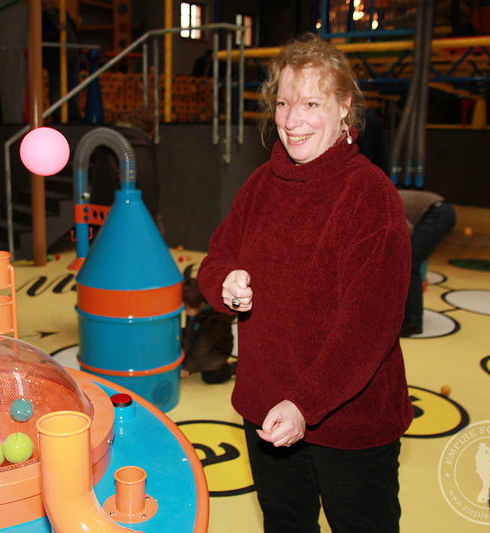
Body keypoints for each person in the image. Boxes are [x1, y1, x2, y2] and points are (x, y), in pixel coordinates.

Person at [196, 34, 413, 532]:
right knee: (285, 523)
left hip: (352, 420)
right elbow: (216, 258)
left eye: (311, 104)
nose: (292, 120)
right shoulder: (259, 186)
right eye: (283, 103)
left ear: (344, 107)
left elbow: (370, 326)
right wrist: (225, 282)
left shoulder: (370, 196)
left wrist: (305, 403)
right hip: (266, 409)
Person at [89, 107, 163, 233]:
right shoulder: (141, 149)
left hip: (100, 221)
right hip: (131, 222)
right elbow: (148, 191)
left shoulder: (106, 144)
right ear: (149, 132)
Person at [398, 190, 457, 337]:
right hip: (436, 212)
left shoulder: (378, 205)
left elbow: (407, 229)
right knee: (406, 265)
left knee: (409, 266)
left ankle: (413, 323)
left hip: (438, 214)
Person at [181, 277, 237, 384]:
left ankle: (232, 368)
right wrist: (185, 354)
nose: (186, 312)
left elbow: (202, 347)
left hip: (217, 349)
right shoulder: (195, 306)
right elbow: (188, 333)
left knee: (210, 377)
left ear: (202, 305)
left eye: (188, 309)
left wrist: (187, 368)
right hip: (199, 337)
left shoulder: (216, 320)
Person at [42, 0, 81, 122]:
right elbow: (45, 37)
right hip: (56, 59)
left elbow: (72, 31)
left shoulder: (63, 15)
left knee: (73, 85)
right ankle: (58, 114)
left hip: (71, 57)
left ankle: (73, 113)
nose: (51, 3)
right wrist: (57, 31)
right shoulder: (43, 19)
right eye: (47, 2)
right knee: (57, 88)